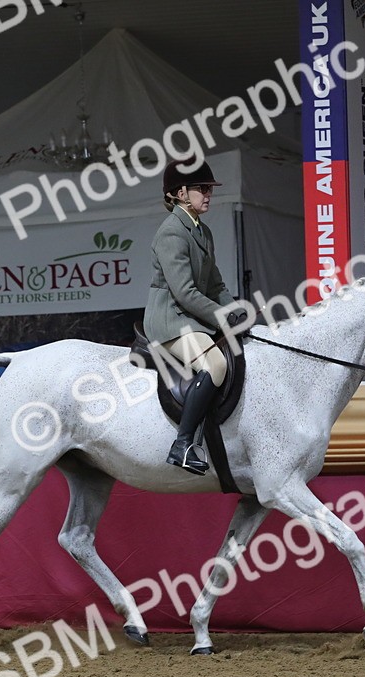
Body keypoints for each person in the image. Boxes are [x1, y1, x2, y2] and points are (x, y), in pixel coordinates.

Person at [144, 159, 246, 475]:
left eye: (208, 188)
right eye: (201, 189)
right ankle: (183, 444)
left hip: (191, 315)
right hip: (170, 319)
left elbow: (215, 284)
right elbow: (185, 293)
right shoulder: (172, 233)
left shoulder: (203, 231)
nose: (207, 194)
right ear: (180, 193)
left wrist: (236, 311)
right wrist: (222, 319)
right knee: (215, 364)